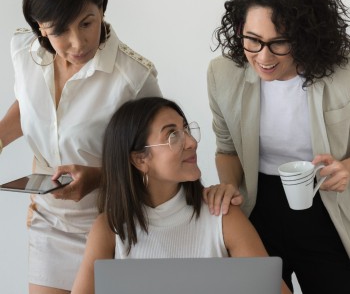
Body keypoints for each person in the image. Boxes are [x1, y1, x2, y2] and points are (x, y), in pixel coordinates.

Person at [0, 0, 162, 294]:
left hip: (113, 222)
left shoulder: (134, 78)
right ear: (39, 27)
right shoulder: (25, 52)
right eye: (59, 31)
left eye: (86, 23)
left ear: (101, 8)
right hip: (48, 220)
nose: (77, 42)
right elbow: (33, 102)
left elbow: (159, 160)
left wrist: (99, 177)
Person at [206, 0, 350, 294]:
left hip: (328, 201)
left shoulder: (343, 73)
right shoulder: (222, 74)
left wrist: (347, 169)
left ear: (305, 36)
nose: (264, 57)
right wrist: (229, 187)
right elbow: (226, 149)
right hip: (259, 201)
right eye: (252, 40)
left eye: (279, 43)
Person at [71, 97, 291, 294]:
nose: (191, 142)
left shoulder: (222, 215)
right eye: (172, 135)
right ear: (140, 160)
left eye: (185, 130)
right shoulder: (110, 229)